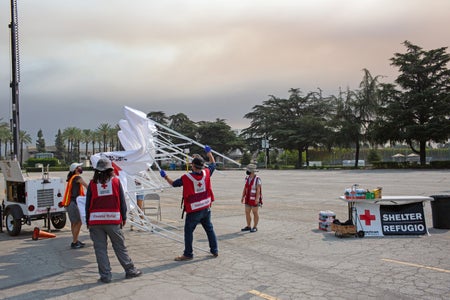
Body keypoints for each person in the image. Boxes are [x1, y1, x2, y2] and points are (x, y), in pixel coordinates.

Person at [85, 158, 142, 283]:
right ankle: (130, 270)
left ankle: (105, 276)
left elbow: (87, 203)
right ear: (110, 170)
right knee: (119, 246)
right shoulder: (116, 182)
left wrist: (88, 221)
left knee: (100, 249)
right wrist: (124, 218)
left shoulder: (92, 184)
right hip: (113, 220)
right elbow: (122, 202)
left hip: (95, 221)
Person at [160, 145, 218, 261]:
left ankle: (188, 253)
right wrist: (209, 153)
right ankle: (214, 250)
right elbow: (213, 164)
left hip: (194, 209)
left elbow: (173, 183)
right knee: (209, 229)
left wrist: (165, 176)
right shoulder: (206, 173)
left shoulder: (187, 177)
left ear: (192, 166)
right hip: (206, 207)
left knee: (188, 231)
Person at [63, 162, 88, 249]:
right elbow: (86, 185)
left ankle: (75, 240)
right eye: (79, 167)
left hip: (70, 203)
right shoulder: (77, 177)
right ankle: (74, 242)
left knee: (74, 223)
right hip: (74, 203)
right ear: (75, 170)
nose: (80, 168)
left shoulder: (71, 178)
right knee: (78, 222)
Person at [241, 163, 263, 233]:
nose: (247, 171)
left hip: (254, 199)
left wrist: (257, 199)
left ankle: (255, 227)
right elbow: (245, 188)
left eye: (248, 170)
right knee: (247, 212)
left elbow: (258, 190)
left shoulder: (257, 179)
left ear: (252, 171)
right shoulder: (247, 178)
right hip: (247, 198)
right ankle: (248, 226)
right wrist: (242, 196)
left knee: (255, 212)